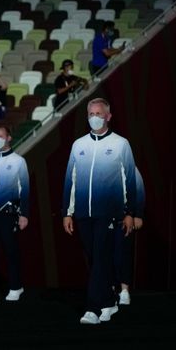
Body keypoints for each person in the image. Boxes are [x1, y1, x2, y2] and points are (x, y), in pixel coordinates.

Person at [62, 97, 136, 325]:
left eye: (99, 114)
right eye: (91, 114)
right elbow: (70, 181)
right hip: (83, 212)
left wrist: (129, 212)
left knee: (101, 256)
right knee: (95, 260)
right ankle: (109, 301)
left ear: (108, 116)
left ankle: (92, 308)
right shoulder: (78, 145)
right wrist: (67, 211)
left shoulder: (121, 144)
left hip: (109, 213)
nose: (95, 118)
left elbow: (129, 180)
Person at [0, 126, 29, 302]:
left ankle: (16, 286)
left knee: (10, 251)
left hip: (7, 213)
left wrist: (24, 214)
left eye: (1, 136)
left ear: (9, 138)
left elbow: (24, 189)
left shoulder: (18, 161)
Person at [114, 167, 145, 305]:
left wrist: (137, 215)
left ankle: (124, 290)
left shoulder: (130, 167)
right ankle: (109, 289)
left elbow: (139, 189)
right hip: (105, 218)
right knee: (106, 255)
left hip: (125, 218)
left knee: (124, 253)